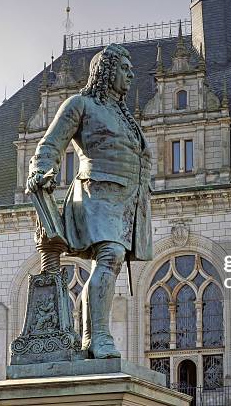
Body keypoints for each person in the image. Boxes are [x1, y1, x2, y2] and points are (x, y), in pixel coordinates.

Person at [26, 44, 153, 359]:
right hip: (96, 192)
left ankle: (89, 338)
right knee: (109, 255)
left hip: (128, 199)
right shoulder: (79, 104)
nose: (131, 73)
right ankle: (99, 336)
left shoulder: (125, 116)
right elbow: (50, 145)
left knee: (108, 262)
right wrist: (42, 171)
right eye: (125, 67)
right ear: (107, 70)